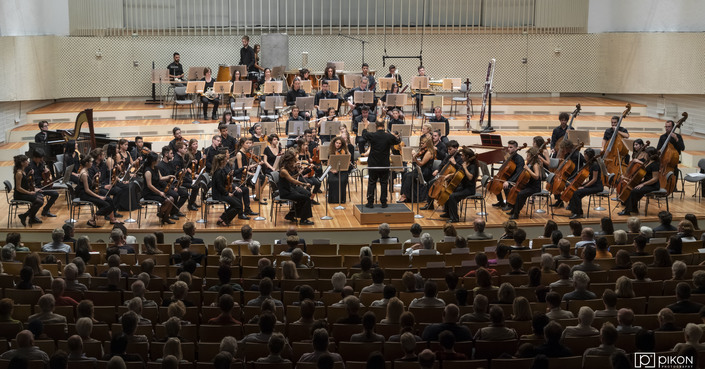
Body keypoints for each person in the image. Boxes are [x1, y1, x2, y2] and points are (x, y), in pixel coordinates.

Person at [361, 119, 400, 208]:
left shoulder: (372, 135)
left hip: (373, 163)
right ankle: (383, 202)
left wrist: (366, 127)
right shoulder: (388, 136)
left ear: (375, 125)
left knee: (372, 182)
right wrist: (396, 136)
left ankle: (370, 202)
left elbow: (364, 135)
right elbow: (397, 141)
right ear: (384, 125)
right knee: (383, 182)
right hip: (384, 163)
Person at [619, 146, 660, 216]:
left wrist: (643, 184)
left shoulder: (655, 164)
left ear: (649, 155)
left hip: (653, 185)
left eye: (645, 154)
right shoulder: (648, 162)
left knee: (634, 191)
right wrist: (628, 179)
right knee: (632, 187)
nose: (644, 155)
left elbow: (655, 179)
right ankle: (633, 208)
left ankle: (627, 210)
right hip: (647, 183)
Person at [277, 151, 314, 225]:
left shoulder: (285, 169)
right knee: (306, 199)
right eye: (293, 161)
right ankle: (303, 220)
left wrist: (299, 173)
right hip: (286, 192)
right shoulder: (283, 170)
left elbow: (291, 178)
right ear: (289, 161)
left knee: (304, 195)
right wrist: (304, 184)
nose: (294, 163)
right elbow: (293, 181)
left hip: (289, 189)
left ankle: (290, 215)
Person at [507, 147, 543, 220]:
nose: (526, 157)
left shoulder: (535, 164)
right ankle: (514, 210)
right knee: (515, 190)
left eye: (528, 156)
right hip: (529, 185)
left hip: (535, 187)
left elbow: (536, 176)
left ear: (532, 156)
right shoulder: (530, 163)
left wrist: (528, 169)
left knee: (520, 194)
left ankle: (516, 214)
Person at [210, 154, 246, 226]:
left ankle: (222, 218)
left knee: (238, 202)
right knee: (238, 205)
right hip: (218, 195)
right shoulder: (218, 172)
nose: (226, 161)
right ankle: (225, 220)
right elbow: (220, 186)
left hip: (221, 193)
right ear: (222, 162)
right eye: (225, 161)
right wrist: (227, 193)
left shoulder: (220, 170)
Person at [566, 148, 602, 219]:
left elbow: (594, 179)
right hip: (592, 185)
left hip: (597, 187)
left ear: (588, 155)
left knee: (576, 193)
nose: (584, 156)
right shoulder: (591, 164)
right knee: (575, 191)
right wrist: (583, 184)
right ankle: (576, 211)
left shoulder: (595, 165)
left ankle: (578, 213)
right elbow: (590, 179)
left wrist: (584, 187)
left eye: (585, 154)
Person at [398, 135, 435, 204]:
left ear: (428, 143)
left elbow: (421, 163)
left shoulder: (429, 152)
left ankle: (405, 196)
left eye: (423, 143)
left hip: (425, 171)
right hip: (420, 169)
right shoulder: (423, 150)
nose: (421, 144)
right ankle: (405, 195)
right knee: (405, 175)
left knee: (409, 176)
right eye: (421, 143)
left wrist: (415, 159)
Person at [492, 140, 525, 210]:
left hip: (515, 179)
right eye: (508, 147)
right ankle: (501, 202)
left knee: (505, 185)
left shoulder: (519, 159)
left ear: (516, 148)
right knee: (494, 184)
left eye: (511, 147)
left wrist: (509, 181)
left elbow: (518, 173)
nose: (509, 149)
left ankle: (509, 204)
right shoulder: (508, 156)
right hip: (507, 177)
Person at [27, 148, 59, 218]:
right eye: (40, 158)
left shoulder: (41, 164)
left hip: (41, 186)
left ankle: (45, 211)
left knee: (55, 194)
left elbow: (44, 176)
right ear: (34, 158)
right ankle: (31, 216)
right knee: (40, 198)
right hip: (33, 188)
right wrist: (35, 188)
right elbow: (28, 182)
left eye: (42, 158)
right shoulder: (29, 167)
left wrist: (47, 172)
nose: (42, 159)